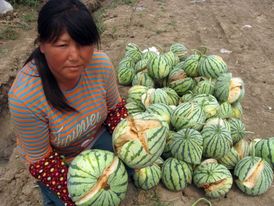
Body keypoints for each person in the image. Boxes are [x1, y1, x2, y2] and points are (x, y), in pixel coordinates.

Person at [8, 0, 128, 205]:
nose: (75, 56)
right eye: (63, 45)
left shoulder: (101, 65)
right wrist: (81, 194)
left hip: (97, 137)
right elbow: (42, 162)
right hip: (59, 160)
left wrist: (132, 143)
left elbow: (115, 110)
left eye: (83, 44)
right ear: (42, 45)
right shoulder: (24, 98)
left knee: (135, 166)